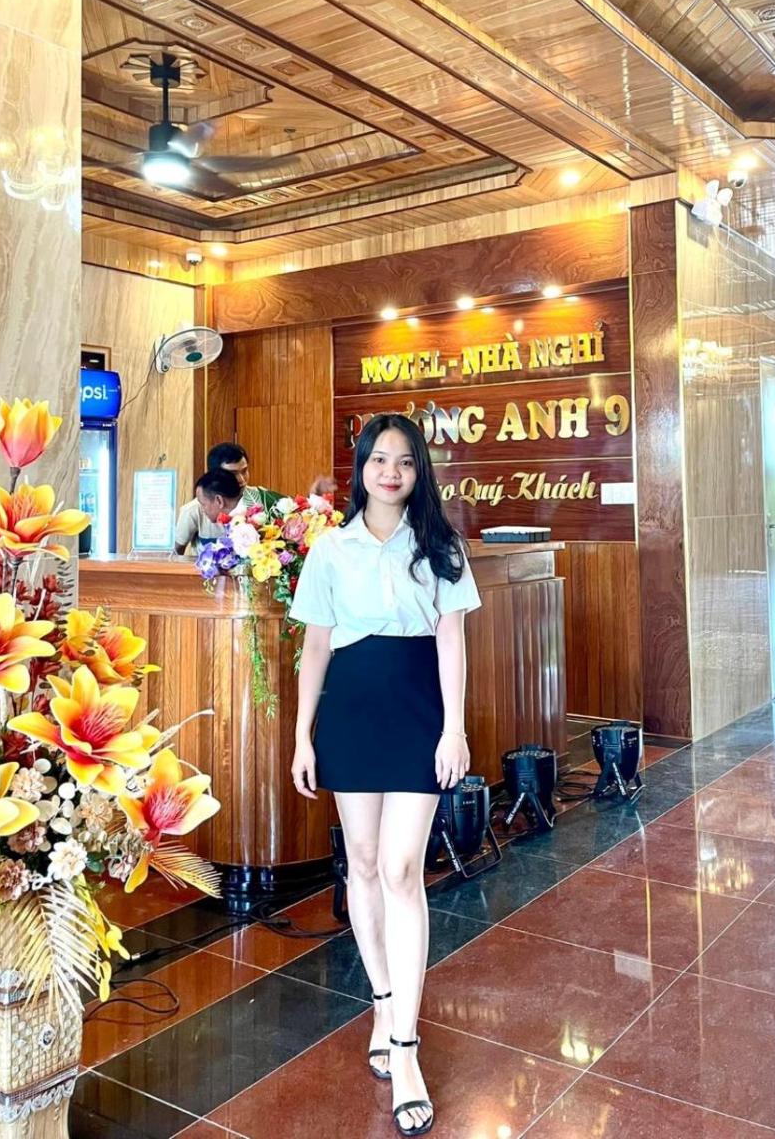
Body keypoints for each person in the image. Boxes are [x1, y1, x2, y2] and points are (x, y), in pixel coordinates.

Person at [289, 414, 480, 1137]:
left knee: (402, 871)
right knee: (363, 865)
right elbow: (315, 647)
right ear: (362, 468)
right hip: (350, 711)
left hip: (416, 711)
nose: (391, 472)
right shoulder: (329, 549)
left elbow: (451, 639)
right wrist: (303, 736)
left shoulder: (440, 545)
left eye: (404, 461)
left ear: (418, 470)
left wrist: (454, 728)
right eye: (379, 459)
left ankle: (406, 1047)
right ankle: (382, 1001)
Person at [173, 443, 279, 553]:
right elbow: (175, 554)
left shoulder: (263, 499)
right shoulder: (194, 510)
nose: (241, 480)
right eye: (233, 474)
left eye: (244, 471)